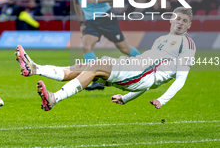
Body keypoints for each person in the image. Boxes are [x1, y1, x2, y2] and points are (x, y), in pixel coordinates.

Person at [15, 7, 196, 111]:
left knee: (96, 66)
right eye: (178, 18)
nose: (180, 22)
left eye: (185, 21)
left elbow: (179, 79)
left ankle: (54, 98)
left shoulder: (187, 45)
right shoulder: (161, 40)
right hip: (136, 69)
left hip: (140, 74)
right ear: (171, 19)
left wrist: (162, 100)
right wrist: (126, 98)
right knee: (84, 66)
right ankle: (35, 68)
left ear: (189, 24)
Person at [69, 0, 140, 90]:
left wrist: (95, 1)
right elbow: (76, 2)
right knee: (86, 46)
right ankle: (97, 80)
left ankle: (145, 66)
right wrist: (81, 23)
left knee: (124, 49)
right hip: (90, 21)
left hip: (106, 17)